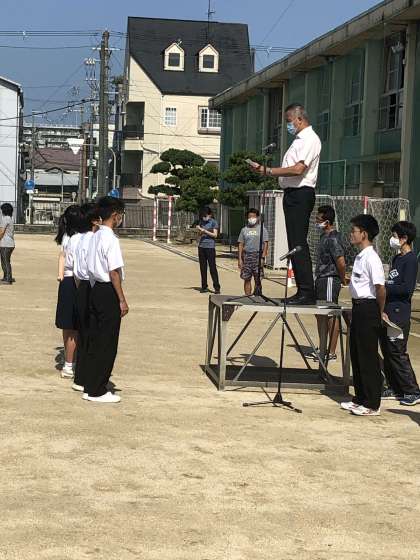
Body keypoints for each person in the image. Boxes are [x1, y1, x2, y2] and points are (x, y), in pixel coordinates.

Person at [249, 103, 321, 305]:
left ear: (300, 119)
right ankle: (302, 290)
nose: (288, 126)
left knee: (298, 243)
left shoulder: (309, 139)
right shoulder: (298, 140)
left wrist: (269, 171)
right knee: (294, 243)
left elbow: (298, 169)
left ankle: (307, 291)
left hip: (301, 193)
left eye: (289, 121)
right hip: (291, 193)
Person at [84, 196, 128, 403]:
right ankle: (98, 389)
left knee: (96, 339)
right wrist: (122, 299)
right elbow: (114, 272)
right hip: (108, 290)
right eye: (120, 215)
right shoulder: (110, 239)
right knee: (107, 342)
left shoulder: (94, 236)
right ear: (115, 215)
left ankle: (90, 384)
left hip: (95, 289)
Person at [341, 214, 385, 417]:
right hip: (358, 307)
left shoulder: (372, 258)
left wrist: (379, 311)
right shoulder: (360, 256)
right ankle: (360, 398)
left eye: (354, 231)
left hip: (369, 308)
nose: (351, 234)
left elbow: (380, 288)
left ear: (364, 234)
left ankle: (372, 403)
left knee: (368, 356)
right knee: (357, 353)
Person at [380, 221, 420, 406]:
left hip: (399, 313)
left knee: (397, 351)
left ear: (404, 238)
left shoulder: (411, 260)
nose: (392, 239)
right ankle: (395, 387)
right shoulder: (397, 258)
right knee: (387, 350)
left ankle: (412, 390)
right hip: (388, 311)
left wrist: (385, 287)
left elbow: (406, 289)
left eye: (395, 236)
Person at [72, 203, 101, 393]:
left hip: (81, 285)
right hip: (92, 285)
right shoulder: (94, 239)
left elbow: (75, 268)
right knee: (94, 334)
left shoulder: (78, 238)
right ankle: (90, 377)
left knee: (83, 334)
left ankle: (80, 376)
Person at [311, 205, 347, 361]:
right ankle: (323, 347)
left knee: (330, 314)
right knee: (320, 314)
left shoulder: (333, 238)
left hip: (330, 278)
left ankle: (331, 351)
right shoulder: (323, 236)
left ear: (327, 221)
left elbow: (341, 261)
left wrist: (342, 277)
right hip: (320, 278)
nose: (316, 221)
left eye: (318, 219)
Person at [55, 205, 84, 379]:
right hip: (75, 281)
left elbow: (62, 256)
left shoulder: (66, 236)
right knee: (75, 327)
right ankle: (70, 363)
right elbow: (78, 267)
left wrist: (60, 276)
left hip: (65, 281)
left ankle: (68, 360)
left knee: (67, 326)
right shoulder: (79, 238)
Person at [238, 208, 269, 296]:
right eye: (249, 217)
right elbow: (240, 244)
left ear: (257, 217)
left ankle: (257, 295)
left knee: (258, 278)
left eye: (253, 217)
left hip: (258, 256)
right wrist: (240, 259)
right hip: (247, 256)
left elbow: (266, 243)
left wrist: (263, 257)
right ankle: (247, 296)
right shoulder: (244, 230)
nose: (251, 218)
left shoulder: (262, 229)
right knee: (247, 278)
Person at [196, 206, 221, 294]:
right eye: (203, 216)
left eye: (205, 215)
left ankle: (217, 287)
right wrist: (199, 231)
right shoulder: (201, 222)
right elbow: (199, 235)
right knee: (203, 268)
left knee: (212, 267)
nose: (204, 217)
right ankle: (204, 286)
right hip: (201, 246)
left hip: (210, 247)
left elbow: (215, 235)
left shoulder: (213, 222)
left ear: (210, 215)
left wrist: (205, 231)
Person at [0, 203, 15, 285]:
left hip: (6, 244)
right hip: (8, 243)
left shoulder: (5, 219)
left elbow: (1, 232)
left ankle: (8, 279)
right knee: (4, 261)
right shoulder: (9, 218)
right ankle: (6, 277)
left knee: (5, 262)